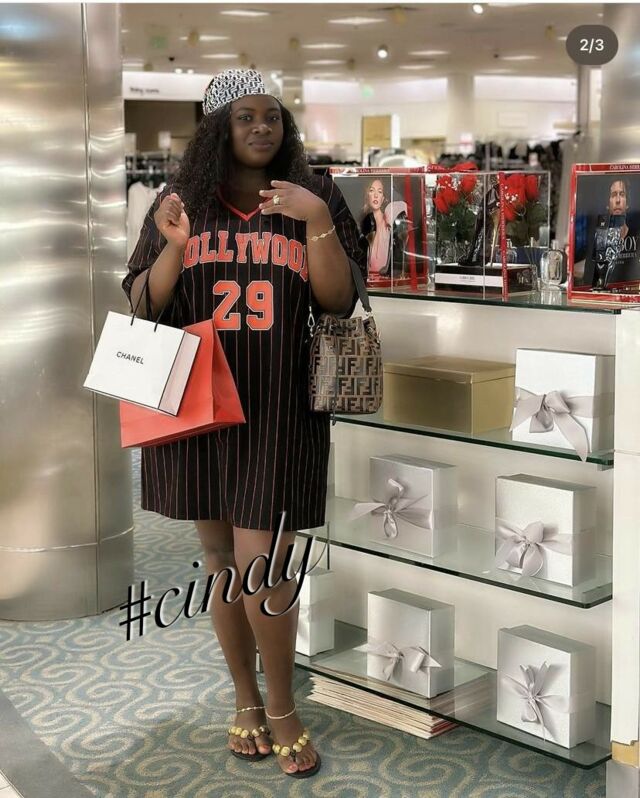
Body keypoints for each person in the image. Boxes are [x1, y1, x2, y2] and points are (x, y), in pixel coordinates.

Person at [121, 68, 367, 779]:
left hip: (280, 406)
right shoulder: (181, 201)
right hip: (198, 400)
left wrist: (315, 222)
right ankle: (245, 699)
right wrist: (174, 244)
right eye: (244, 116)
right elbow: (143, 307)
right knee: (223, 562)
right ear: (217, 128)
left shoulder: (313, 195)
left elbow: (339, 302)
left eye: (272, 115)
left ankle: (283, 707)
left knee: (266, 566)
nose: (262, 127)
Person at [360, 178, 409, 281]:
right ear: (367, 195)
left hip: (387, 281)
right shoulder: (366, 224)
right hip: (369, 281)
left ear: (383, 198)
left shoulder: (389, 216)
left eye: (380, 191)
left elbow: (404, 208)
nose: (376, 195)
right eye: (372, 190)